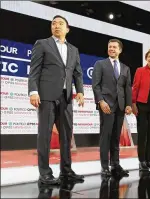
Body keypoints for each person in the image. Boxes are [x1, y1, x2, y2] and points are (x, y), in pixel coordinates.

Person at [28, 15, 84, 185]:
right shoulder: (42, 44)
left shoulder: (74, 49)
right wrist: (33, 91)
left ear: (67, 29)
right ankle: (44, 173)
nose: (56, 26)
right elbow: (34, 70)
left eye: (60, 23)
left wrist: (80, 91)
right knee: (44, 135)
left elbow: (78, 73)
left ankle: (66, 171)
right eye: (53, 23)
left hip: (66, 97)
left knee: (66, 135)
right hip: (46, 96)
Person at [92, 38, 132, 176]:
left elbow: (127, 88)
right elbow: (96, 85)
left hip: (120, 107)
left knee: (116, 137)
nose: (112, 49)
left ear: (120, 50)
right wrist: (101, 102)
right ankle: (104, 167)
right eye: (110, 47)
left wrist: (128, 104)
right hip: (106, 106)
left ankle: (115, 165)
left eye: (114, 47)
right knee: (106, 136)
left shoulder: (126, 68)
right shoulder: (100, 64)